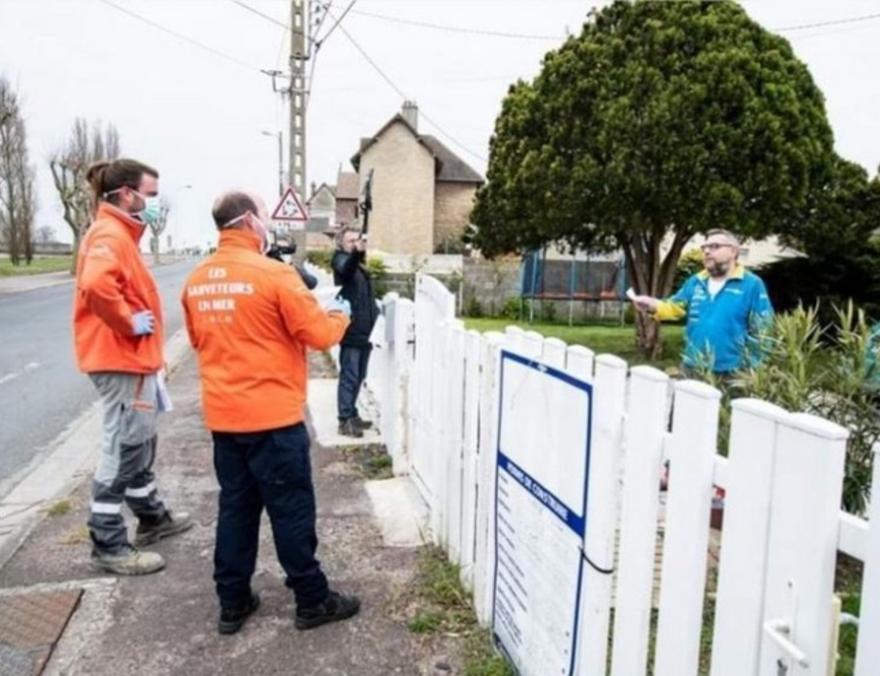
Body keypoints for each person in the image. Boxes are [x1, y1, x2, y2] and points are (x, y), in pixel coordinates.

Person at [182, 190, 360, 635]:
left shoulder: (197, 280)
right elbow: (318, 335)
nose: (268, 223)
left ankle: (233, 601)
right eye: (264, 215)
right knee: (291, 511)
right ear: (249, 221)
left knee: (236, 510)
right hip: (273, 420)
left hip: (225, 419)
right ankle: (312, 599)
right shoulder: (275, 274)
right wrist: (341, 316)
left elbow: (199, 341)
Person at [75, 158, 192, 576]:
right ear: (127, 194)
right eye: (151, 194)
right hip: (120, 357)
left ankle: (152, 517)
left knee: (139, 442)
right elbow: (96, 285)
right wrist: (128, 322)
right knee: (125, 447)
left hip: (130, 359)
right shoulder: (110, 234)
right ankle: (108, 543)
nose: (154, 202)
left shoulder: (119, 233)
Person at [630, 228, 774, 376]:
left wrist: (754, 368)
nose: (706, 251)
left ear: (733, 251)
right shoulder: (696, 281)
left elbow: (763, 328)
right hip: (693, 366)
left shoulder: (752, 284)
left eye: (714, 246)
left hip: (733, 372)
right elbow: (675, 307)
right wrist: (652, 305)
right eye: (704, 247)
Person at [332, 226, 379, 438]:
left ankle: (352, 413)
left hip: (365, 330)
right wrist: (356, 253)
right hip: (351, 329)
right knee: (349, 376)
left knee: (360, 375)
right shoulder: (340, 260)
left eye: (356, 240)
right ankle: (344, 420)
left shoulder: (358, 264)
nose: (354, 244)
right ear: (341, 243)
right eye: (350, 241)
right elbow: (346, 271)